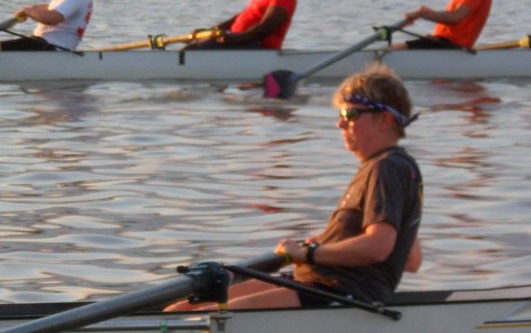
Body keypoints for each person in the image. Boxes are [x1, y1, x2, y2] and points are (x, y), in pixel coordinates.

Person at [167, 66, 422, 312]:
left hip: (338, 292)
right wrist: (326, 245)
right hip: (321, 284)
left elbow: (377, 247)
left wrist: (309, 253)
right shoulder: (393, 167)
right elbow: (410, 259)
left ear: (384, 120)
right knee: (182, 306)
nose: (340, 125)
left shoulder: (386, 168)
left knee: (185, 314)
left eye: (349, 115)